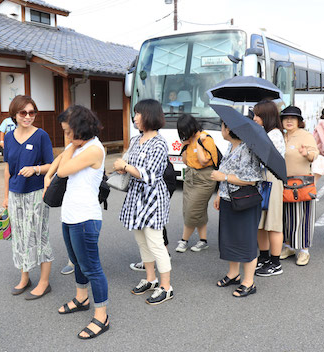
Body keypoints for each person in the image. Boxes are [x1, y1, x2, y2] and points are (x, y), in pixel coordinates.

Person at [46, 105, 110, 339]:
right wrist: (46, 174)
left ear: (79, 130)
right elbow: (60, 160)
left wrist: (71, 146)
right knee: (77, 262)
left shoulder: (93, 149)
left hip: (85, 218)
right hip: (70, 216)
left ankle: (102, 316)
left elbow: (63, 170)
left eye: (67, 131)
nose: (65, 137)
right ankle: (81, 298)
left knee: (92, 267)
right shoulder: (79, 146)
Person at [114, 99, 173, 305]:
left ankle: (166, 287)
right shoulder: (134, 140)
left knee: (156, 243)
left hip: (153, 197)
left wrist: (126, 166)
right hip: (136, 196)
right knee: (141, 241)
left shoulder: (159, 143)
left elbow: (151, 176)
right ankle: (151, 279)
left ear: (149, 115)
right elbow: (130, 164)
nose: (135, 117)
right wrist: (123, 167)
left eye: (138, 113)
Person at [2, 95, 55, 299]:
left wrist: (35, 169)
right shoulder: (8, 137)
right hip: (15, 193)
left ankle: (44, 282)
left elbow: (52, 165)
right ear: (14, 115)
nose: (28, 116)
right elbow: (7, 169)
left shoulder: (41, 136)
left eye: (32, 112)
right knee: (20, 237)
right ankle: (25, 277)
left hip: (36, 193)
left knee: (39, 235)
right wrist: (5, 196)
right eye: (23, 113)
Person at [211, 121, 263, 297]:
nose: (221, 130)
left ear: (229, 129)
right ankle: (233, 274)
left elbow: (252, 179)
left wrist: (223, 176)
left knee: (245, 240)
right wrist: (219, 193)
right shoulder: (230, 147)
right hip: (229, 199)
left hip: (244, 201)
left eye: (222, 126)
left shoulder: (247, 149)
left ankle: (249, 282)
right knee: (230, 238)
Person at [280, 106, 319, 266]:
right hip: (283, 182)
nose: (289, 121)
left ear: (299, 121)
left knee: (303, 218)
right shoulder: (280, 136)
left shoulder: (305, 135)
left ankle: (304, 251)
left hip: (301, 184)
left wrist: (306, 154)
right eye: (286, 118)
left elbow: (314, 155)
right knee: (287, 217)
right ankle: (288, 246)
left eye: (293, 118)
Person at [174, 113, 218, 253]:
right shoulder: (189, 140)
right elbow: (186, 162)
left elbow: (204, 161)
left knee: (192, 211)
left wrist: (198, 144)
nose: (183, 134)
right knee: (191, 209)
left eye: (184, 131)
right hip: (190, 177)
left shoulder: (205, 138)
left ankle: (184, 240)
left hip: (204, 179)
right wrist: (184, 146)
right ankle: (203, 240)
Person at [252, 100, 286, 277]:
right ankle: (264, 257)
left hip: (272, 179)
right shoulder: (266, 133)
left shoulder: (274, 135)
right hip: (264, 180)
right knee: (261, 223)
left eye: (258, 115)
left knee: (272, 224)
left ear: (267, 116)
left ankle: (275, 262)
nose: (255, 118)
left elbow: (263, 158)